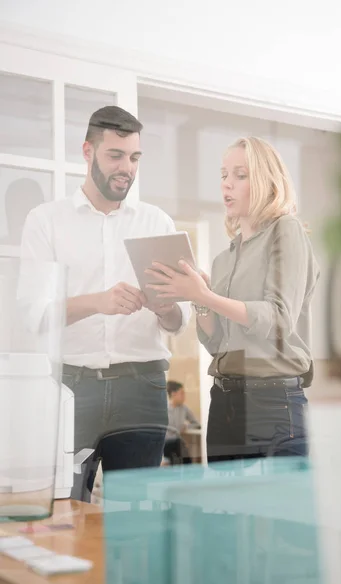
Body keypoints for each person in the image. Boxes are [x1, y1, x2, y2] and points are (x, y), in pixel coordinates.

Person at [20, 105, 191, 495]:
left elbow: (178, 320)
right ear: (87, 152)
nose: (126, 168)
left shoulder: (157, 222)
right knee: (64, 506)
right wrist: (98, 302)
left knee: (135, 519)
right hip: (71, 388)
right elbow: (33, 315)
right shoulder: (46, 221)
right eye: (115, 155)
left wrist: (166, 308)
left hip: (143, 388)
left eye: (134, 158)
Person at [146, 136, 320, 463]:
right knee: (229, 512)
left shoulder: (287, 231)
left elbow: (278, 318)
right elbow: (218, 346)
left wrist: (206, 295)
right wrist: (199, 298)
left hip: (273, 402)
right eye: (224, 175)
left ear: (268, 181)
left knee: (279, 512)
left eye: (240, 175)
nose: (227, 185)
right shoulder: (223, 261)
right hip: (224, 402)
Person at [163, 380, 200, 464]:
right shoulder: (164, 409)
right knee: (179, 444)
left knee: (178, 443)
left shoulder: (184, 409)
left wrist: (186, 427)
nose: (184, 396)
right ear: (173, 394)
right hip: (165, 444)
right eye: (182, 393)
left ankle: (188, 468)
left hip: (176, 443)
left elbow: (196, 423)